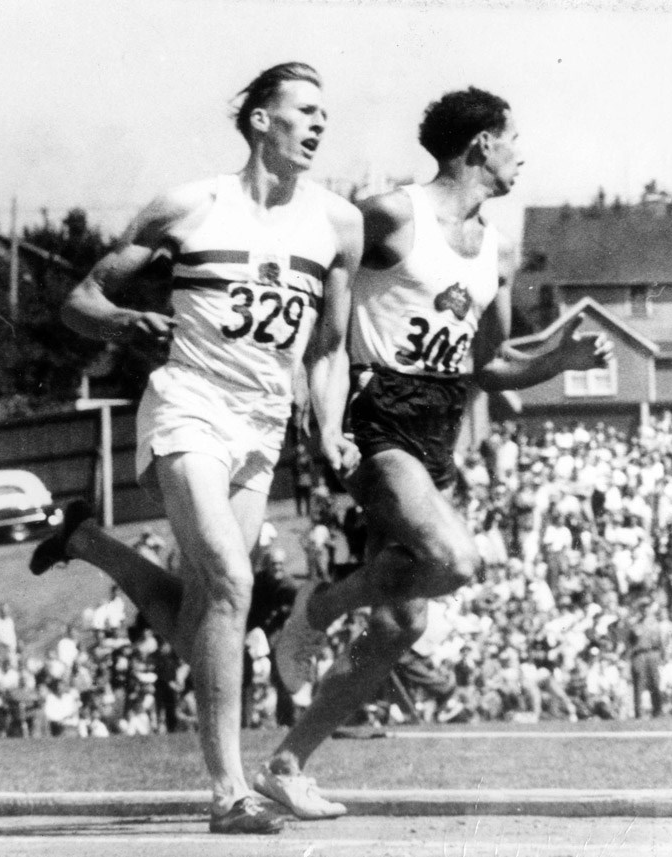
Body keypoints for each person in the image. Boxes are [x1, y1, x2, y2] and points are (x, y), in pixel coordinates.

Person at [29, 62, 361, 833]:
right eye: (304, 111)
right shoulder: (189, 207)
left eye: (325, 114)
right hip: (189, 406)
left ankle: (89, 541)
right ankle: (228, 795)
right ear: (259, 122)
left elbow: (330, 350)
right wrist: (123, 324)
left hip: (262, 423)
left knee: (204, 615)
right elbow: (81, 301)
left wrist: (332, 424)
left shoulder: (337, 224)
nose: (318, 125)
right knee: (229, 579)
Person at [262, 86, 613, 815]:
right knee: (454, 560)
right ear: (481, 143)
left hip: (441, 426)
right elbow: (326, 318)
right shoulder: (392, 216)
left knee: (401, 623)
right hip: (381, 416)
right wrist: (321, 415)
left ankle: (288, 762)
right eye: (514, 138)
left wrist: (562, 361)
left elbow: (492, 364)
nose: (523, 154)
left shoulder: (498, 249)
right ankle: (317, 607)